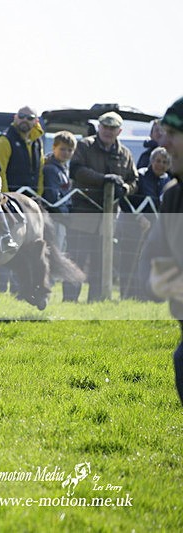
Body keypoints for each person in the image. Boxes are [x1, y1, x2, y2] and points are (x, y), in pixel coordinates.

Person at [64, 111, 138, 302]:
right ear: (99, 127)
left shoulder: (125, 154)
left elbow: (134, 180)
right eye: (105, 127)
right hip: (83, 212)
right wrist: (104, 180)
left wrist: (126, 189)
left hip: (109, 216)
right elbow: (76, 170)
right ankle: (70, 300)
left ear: (119, 131)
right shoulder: (85, 145)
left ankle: (96, 301)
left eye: (112, 128)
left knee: (101, 261)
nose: (108, 131)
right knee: (76, 259)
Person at [137, 95, 183, 406]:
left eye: (174, 133)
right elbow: (151, 267)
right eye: (162, 132)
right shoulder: (173, 196)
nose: (164, 143)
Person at [0, 106, 45, 293]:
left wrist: (38, 197)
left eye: (29, 117)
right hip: (8, 204)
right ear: (15, 118)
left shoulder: (37, 141)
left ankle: (21, 290)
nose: (25, 120)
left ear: (35, 121)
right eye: (21, 116)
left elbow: (39, 172)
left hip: (29, 205)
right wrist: (3, 198)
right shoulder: (5, 140)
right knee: (5, 245)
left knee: (26, 249)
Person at [117, 146, 171, 299]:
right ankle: (126, 295)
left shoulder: (167, 180)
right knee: (129, 261)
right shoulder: (140, 176)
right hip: (133, 225)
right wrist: (139, 217)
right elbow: (125, 200)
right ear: (151, 161)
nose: (160, 164)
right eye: (158, 160)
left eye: (165, 162)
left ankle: (143, 296)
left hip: (155, 229)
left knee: (147, 263)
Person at [42, 131, 77, 252]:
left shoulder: (64, 169)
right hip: (55, 218)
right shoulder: (51, 169)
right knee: (55, 251)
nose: (66, 153)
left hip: (61, 218)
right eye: (62, 149)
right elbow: (52, 198)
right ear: (54, 147)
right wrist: (65, 216)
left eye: (69, 150)